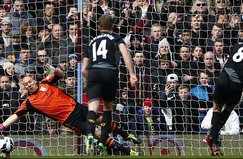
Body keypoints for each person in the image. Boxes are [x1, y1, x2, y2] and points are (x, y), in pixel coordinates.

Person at [0, 63, 143, 156]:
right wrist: (2, 126)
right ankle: (128, 151)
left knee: (102, 121)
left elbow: (61, 74)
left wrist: (55, 70)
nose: (29, 85)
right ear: (24, 88)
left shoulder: (45, 83)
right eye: (26, 84)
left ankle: (126, 135)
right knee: (97, 133)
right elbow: (16, 115)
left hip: (78, 107)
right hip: (70, 120)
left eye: (30, 81)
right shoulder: (29, 102)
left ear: (34, 80)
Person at [81, 14, 138, 155]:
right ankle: (102, 142)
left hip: (93, 72)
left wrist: (92, 80)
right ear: (113, 26)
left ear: (98, 27)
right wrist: (132, 74)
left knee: (92, 109)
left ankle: (89, 134)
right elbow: (125, 54)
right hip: (109, 71)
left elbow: (83, 69)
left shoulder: (91, 41)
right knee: (107, 109)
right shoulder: (116, 38)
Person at [204, 33, 243, 156]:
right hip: (238, 83)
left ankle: (213, 142)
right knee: (229, 109)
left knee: (217, 109)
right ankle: (212, 139)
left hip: (224, 77)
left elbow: (227, 61)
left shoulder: (237, 45)